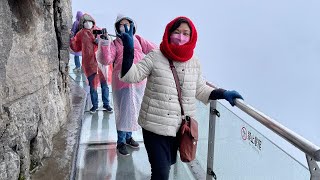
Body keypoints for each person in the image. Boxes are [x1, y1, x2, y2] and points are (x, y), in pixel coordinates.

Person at [119, 16, 243, 179]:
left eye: (186, 33)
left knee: (167, 166)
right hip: (154, 126)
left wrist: (222, 93)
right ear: (169, 33)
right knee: (161, 172)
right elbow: (130, 76)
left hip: (179, 129)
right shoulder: (155, 56)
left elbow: (200, 89)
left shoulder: (194, 62)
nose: (181, 37)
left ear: (192, 37)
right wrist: (128, 50)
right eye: (177, 32)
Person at [96, 14, 157, 156]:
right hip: (122, 83)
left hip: (139, 82)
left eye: (128, 24)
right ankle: (121, 142)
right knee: (123, 112)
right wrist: (104, 43)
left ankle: (129, 137)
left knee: (134, 111)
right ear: (117, 28)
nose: (125, 27)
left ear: (133, 26)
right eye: (122, 24)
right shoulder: (115, 44)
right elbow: (105, 60)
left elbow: (155, 50)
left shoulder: (139, 40)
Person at [70, 13, 113, 113]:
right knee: (93, 86)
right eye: (85, 22)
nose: (87, 23)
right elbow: (76, 47)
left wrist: (102, 39)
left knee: (104, 85)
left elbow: (108, 42)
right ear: (82, 23)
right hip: (89, 64)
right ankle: (95, 105)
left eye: (89, 21)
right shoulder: (80, 34)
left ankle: (106, 104)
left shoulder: (98, 30)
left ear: (93, 22)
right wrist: (72, 38)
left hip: (101, 63)